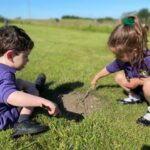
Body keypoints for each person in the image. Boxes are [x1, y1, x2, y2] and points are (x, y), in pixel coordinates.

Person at [0, 25, 61, 138]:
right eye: (26, 56)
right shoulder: (5, 74)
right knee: (31, 94)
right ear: (10, 55)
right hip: (2, 118)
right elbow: (11, 96)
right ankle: (22, 122)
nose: (28, 60)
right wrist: (44, 102)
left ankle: (36, 87)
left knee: (19, 82)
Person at [91, 16, 150, 126]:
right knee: (119, 77)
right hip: (138, 88)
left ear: (135, 51)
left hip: (147, 86)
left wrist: (139, 82)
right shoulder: (122, 60)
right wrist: (96, 78)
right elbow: (108, 69)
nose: (117, 57)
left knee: (149, 85)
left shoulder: (147, 59)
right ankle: (135, 97)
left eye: (119, 54)